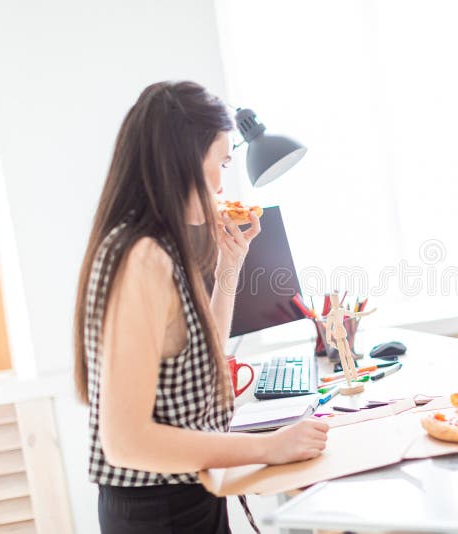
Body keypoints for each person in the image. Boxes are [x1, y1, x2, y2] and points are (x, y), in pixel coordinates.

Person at [73, 81, 329, 534]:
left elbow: (202, 354)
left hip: (191, 490)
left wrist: (230, 265)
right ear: (186, 159)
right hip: (158, 511)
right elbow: (125, 442)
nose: (222, 183)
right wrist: (268, 447)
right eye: (223, 162)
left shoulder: (166, 245)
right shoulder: (140, 257)